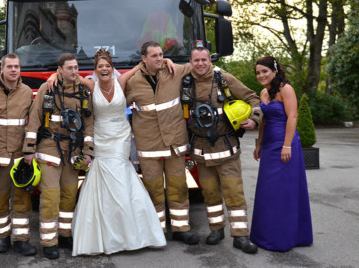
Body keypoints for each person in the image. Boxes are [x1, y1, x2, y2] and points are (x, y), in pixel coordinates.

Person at [47, 49, 170, 255]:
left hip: (121, 137)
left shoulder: (121, 82)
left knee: (123, 177)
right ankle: (105, 233)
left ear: (112, 69)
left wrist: (164, 59)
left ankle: (134, 233)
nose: (104, 69)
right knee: (104, 178)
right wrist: (53, 74)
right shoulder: (91, 85)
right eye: (100, 66)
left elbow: (141, 65)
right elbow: (70, 74)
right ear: (95, 71)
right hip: (101, 137)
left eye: (107, 66)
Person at [185, 47, 262, 254]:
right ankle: (216, 230)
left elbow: (253, 98)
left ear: (210, 60)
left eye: (204, 60)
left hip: (226, 149)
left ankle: (241, 236)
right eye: (196, 60)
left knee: (234, 193)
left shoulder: (224, 79)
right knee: (209, 194)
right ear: (190, 62)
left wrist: (254, 119)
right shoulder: (185, 82)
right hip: (201, 152)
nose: (200, 64)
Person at [125, 41, 200, 245]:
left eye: (161, 54)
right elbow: (111, 93)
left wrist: (169, 60)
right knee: (153, 190)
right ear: (144, 59)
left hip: (174, 142)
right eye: (154, 56)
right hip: (149, 145)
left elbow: (201, 65)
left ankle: (181, 229)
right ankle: (156, 231)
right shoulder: (133, 82)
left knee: (178, 187)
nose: (159, 58)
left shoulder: (173, 71)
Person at [23, 53, 95, 260]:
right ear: (60, 69)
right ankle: (48, 241)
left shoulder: (83, 91)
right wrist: (29, 149)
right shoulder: (48, 88)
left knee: (70, 195)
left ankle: (64, 235)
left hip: (73, 151)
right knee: (51, 196)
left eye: (76, 67)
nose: (75, 71)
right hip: (49, 147)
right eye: (70, 68)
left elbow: (89, 124)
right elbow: (35, 118)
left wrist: (88, 151)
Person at [250, 56, 313, 251]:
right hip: (269, 146)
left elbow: (293, 116)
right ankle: (265, 236)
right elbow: (265, 120)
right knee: (268, 192)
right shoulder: (263, 92)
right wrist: (259, 145)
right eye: (258, 72)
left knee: (284, 192)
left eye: (265, 71)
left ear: (274, 71)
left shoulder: (286, 88)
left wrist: (287, 145)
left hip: (286, 144)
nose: (261, 75)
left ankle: (287, 237)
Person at [0, 53, 36, 256]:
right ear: (1, 69)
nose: (14, 70)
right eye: (10, 66)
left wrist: (30, 150)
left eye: (17, 66)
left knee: (22, 199)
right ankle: (3, 237)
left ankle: (21, 240)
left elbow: (32, 123)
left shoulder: (27, 92)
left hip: (21, 156)